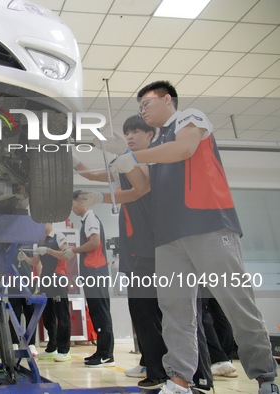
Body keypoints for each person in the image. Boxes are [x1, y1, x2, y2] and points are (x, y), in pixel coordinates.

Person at [110, 80, 278, 394]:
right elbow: (142, 185)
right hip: (168, 238)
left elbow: (184, 149)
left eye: (146, 103)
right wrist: (122, 155)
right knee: (175, 310)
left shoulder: (190, 118)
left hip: (208, 224)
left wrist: (137, 155)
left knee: (235, 301)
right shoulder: (157, 143)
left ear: (166, 99)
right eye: (139, 107)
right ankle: (179, 379)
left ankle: (265, 375)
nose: (142, 111)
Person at [75, 115, 214, 392]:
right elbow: (92, 175)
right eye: (126, 133)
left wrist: (123, 156)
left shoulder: (157, 164)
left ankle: (198, 374)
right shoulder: (127, 165)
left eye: (136, 132)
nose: (129, 137)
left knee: (181, 314)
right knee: (143, 312)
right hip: (137, 250)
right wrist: (72, 157)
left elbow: (143, 189)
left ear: (151, 136)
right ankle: (156, 368)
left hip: (161, 246)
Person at [62, 193, 115, 367]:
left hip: (95, 271)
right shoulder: (87, 220)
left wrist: (74, 250)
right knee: (96, 312)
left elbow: (94, 242)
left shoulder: (91, 219)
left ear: (81, 201)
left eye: (72, 204)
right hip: (92, 271)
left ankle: (106, 353)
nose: (72, 209)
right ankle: (102, 351)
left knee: (101, 311)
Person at [21, 223, 72, 362]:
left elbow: (67, 255)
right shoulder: (38, 242)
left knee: (62, 314)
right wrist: (25, 258)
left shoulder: (58, 236)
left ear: (49, 224)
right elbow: (35, 261)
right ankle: (52, 348)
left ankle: (64, 350)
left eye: (43, 223)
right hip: (45, 280)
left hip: (58, 277)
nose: (41, 226)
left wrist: (49, 251)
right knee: (47, 315)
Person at [9, 253, 38, 357]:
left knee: (31, 314)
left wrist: (38, 283)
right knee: (14, 315)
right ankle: (14, 343)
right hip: (13, 285)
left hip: (30, 285)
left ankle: (31, 344)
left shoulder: (31, 245)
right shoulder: (10, 247)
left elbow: (37, 262)